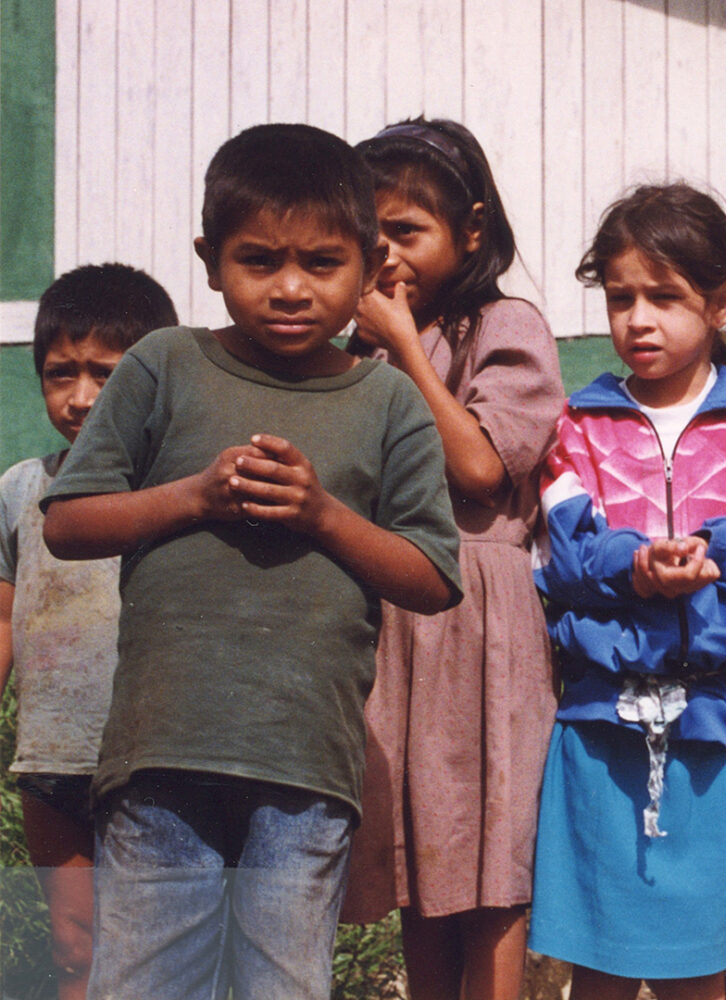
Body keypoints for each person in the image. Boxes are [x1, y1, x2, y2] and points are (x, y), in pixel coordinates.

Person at [40, 123, 463, 1000]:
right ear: (208, 258)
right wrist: (191, 497)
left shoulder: (388, 400)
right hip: (163, 752)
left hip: (305, 762)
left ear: (371, 260)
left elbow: (431, 577)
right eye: (259, 260)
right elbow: (69, 523)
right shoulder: (166, 365)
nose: (291, 288)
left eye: (321, 262)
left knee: (282, 986)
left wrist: (321, 515)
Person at [528, 184, 726, 1000]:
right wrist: (634, 569)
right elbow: (561, 559)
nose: (638, 319)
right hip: (601, 722)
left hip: (717, 730)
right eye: (621, 296)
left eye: (665, 297)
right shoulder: (581, 426)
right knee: (595, 963)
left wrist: (718, 548)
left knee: (694, 967)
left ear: (723, 301)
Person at [337, 117, 564, 1000]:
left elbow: (478, 466)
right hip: (392, 617)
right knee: (419, 858)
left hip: (478, 613)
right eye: (371, 234)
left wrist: (400, 348)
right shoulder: (353, 349)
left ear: (470, 231)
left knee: (491, 854)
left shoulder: (503, 327)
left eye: (407, 232)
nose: (386, 255)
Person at [0, 263, 176, 1000]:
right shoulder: (22, 488)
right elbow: (5, 616)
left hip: (156, 761)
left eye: (104, 374)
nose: (79, 398)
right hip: (52, 760)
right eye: (59, 373)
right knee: (77, 950)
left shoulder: (175, 491)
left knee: (160, 956)